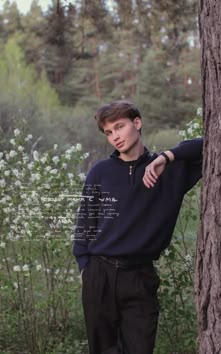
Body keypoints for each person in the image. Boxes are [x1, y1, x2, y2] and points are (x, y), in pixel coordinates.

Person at [73, 100, 202, 354]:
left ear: (137, 123)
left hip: (140, 277)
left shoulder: (170, 172)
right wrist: (84, 269)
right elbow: (85, 225)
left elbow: (214, 143)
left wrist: (166, 156)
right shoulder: (100, 172)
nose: (115, 137)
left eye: (119, 127)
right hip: (100, 274)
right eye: (108, 132)